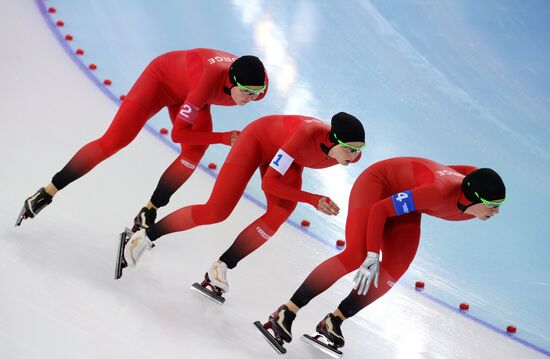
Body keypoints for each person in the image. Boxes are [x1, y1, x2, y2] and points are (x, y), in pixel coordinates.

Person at [262, 157, 506, 350]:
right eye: (493, 206)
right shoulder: (437, 193)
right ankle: (286, 311)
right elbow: (380, 209)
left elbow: (455, 169)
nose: (496, 213)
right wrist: (371, 255)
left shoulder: (468, 182)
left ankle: (333, 320)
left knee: (392, 271)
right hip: (377, 186)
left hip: (409, 202)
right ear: (474, 197)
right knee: (355, 256)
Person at [16, 48, 268, 228]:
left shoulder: (259, 86)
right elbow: (179, 133)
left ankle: (150, 210)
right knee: (114, 141)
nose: (249, 98)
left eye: (255, 94)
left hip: (190, 94)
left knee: (193, 153)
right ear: (230, 80)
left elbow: (252, 91)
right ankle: (47, 191)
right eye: (245, 92)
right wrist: (224, 138)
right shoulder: (207, 81)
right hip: (160, 81)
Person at [122, 113, 366, 292]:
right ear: (334, 141)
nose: (354, 157)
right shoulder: (306, 134)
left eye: (358, 150)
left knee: (280, 211)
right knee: (216, 211)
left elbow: (286, 170)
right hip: (257, 142)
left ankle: (221, 267)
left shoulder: (349, 154)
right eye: (349, 150)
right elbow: (269, 183)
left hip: (288, 159)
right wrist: (312, 199)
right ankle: (144, 236)